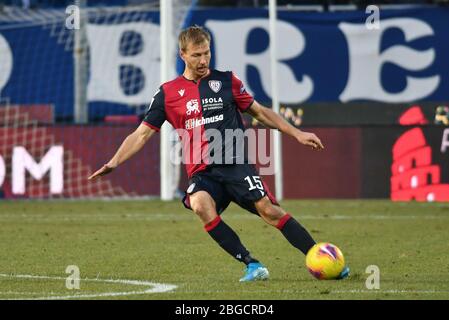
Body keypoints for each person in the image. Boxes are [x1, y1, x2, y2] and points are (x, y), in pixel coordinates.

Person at [88, 25, 349, 282]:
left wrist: (297, 133)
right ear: (182, 55)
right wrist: (114, 161)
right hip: (202, 172)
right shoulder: (168, 93)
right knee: (200, 204)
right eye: (196, 55)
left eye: (207, 53)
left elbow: (260, 112)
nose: (203, 60)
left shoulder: (227, 81)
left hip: (235, 164)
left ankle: (324, 258)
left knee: (269, 211)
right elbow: (142, 133)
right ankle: (252, 265)